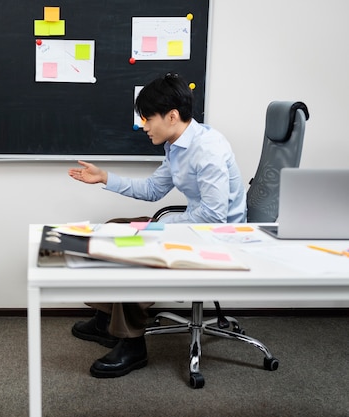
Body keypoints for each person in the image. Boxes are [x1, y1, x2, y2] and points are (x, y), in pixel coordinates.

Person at [67, 73, 247, 378]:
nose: (143, 125)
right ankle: (105, 319)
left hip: (218, 236)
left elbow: (215, 217)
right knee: (113, 227)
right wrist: (105, 177)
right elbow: (153, 190)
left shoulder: (208, 149)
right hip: (194, 225)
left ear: (172, 116)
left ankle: (132, 344)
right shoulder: (176, 145)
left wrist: (156, 227)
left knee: (131, 247)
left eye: (147, 118)